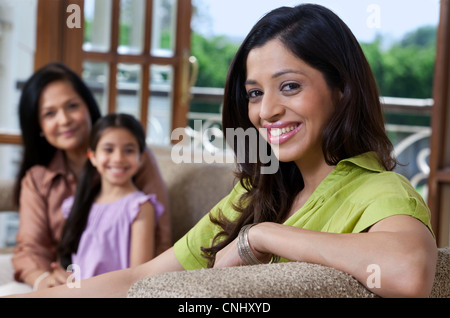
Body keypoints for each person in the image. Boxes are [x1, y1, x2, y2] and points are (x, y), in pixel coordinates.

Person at [9, 3, 437, 298]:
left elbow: (409, 271)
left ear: (342, 90)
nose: (267, 110)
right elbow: (140, 279)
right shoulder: (254, 195)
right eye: (254, 93)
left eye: (290, 86)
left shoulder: (381, 190)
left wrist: (262, 236)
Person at [8, 63, 170, 292]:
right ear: (39, 126)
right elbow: (30, 248)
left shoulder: (130, 161)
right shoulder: (36, 179)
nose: (64, 120)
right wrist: (43, 278)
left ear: (88, 107)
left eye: (72, 106)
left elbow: (161, 240)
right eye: (49, 113)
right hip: (65, 284)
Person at [58, 113, 164, 281]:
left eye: (129, 150)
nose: (118, 158)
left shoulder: (140, 208)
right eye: (108, 149)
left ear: (141, 158)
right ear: (92, 156)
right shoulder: (76, 205)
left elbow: (138, 277)